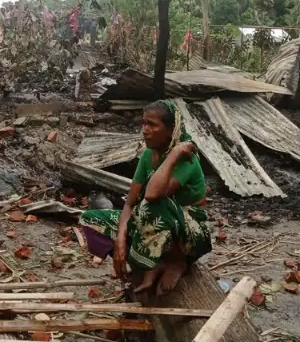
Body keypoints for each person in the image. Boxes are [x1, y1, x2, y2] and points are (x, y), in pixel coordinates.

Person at [79, 101, 211, 295]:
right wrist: (120, 241)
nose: (145, 130)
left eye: (152, 125)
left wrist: (173, 154)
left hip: (189, 235)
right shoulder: (148, 155)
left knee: (154, 205)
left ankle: (176, 262)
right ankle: (147, 263)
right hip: (154, 227)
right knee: (91, 220)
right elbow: (129, 204)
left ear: (171, 130)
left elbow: (153, 194)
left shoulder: (186, 157)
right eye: (144, 123)